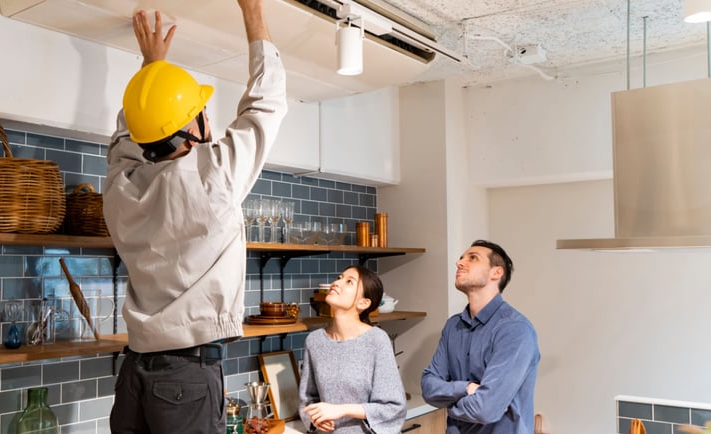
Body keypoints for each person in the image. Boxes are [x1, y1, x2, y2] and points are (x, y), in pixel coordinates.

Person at [102, 1, 287, 432]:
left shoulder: (120, 188)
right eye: (203, 114)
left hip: (133, 375)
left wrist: (153, 71)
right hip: (186, 377)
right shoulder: (213, 174)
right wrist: (253, 11)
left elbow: (127, 137)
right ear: (194, 128)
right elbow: (266, 103)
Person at [421, 240, 540, 433]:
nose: (459, 263)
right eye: (461, 258)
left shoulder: (515, 330)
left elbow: (485, 410)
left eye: (472, 258)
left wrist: (448, 406)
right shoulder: (453, 326)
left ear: (496, 273)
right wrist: (466, 388)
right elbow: (428, 386)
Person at [299, 265, 407, 434]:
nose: (337, 283)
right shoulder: (314, 341)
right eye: (339, 277)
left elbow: (393, 408)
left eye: (349, 282)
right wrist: (314, 419)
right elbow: (308, 399)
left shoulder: (377, 340)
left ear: (364, 303)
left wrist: (342, 410)